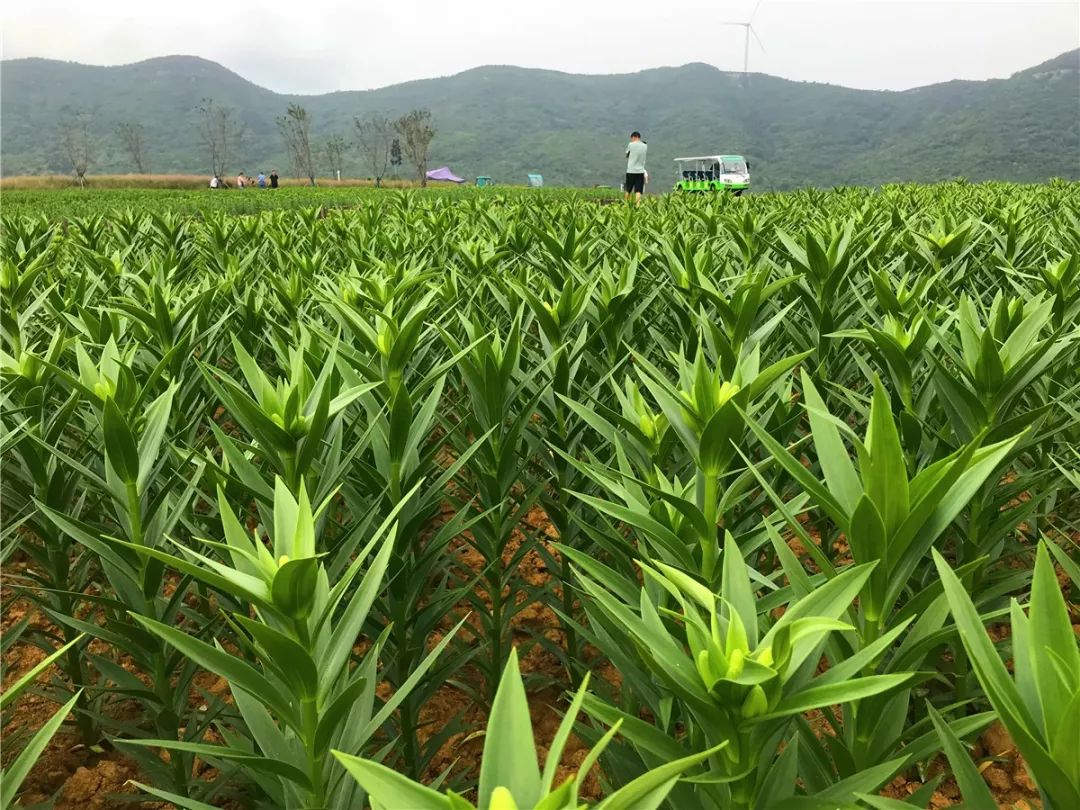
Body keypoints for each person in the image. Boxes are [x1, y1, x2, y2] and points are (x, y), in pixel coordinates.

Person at [624, 131, 648, 203]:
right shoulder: (645, 146)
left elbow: (627, 155)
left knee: (628, 189)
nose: (632, 140)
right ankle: (638, 206)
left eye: (632, 139)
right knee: (638, 190)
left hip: (631, 171)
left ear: (634, 137)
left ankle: (626, 204)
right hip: (640, 171)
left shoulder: (630, 144)